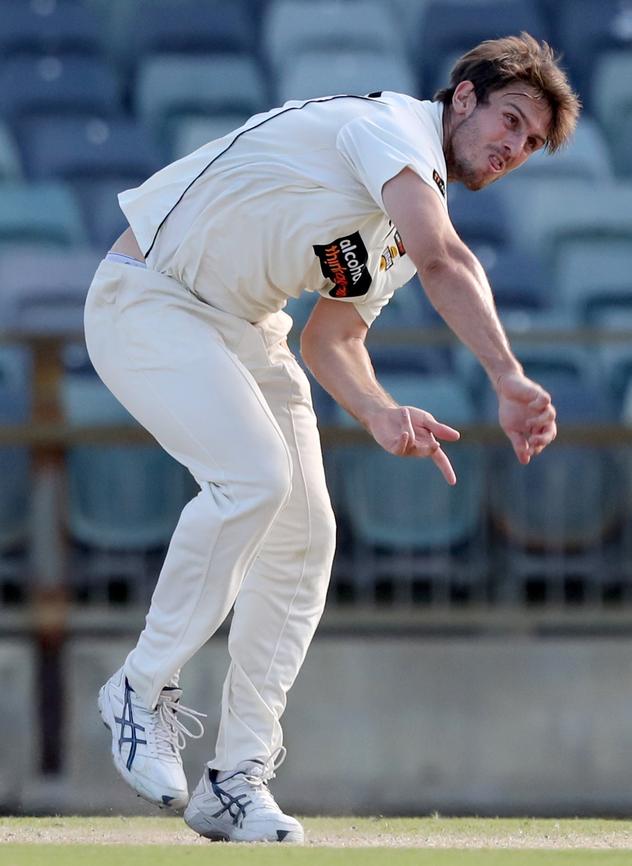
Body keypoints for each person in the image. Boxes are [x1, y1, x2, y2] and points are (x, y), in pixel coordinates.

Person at [89, 32, 579, 843]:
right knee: (255, 478)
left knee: (307, 539)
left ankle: (236, 776)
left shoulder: (401, 213)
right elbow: (444, 257)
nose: (512, 148)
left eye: (530, 143)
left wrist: (379, 410)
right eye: (511, 121)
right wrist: (507, 376)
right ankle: (139, 687)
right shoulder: (392, 131)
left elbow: (332, 341)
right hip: (149, 296)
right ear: (464, 97)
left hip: (248, 329)